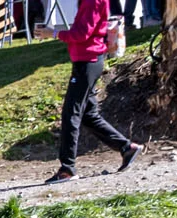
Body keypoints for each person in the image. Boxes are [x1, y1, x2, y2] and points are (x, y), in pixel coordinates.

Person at [46, 0, 141, 183]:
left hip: (88, 62)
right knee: (88, 115)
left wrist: (55, 33)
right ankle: (127, 147)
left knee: (70, 113)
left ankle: (67, 169)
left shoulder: (93, 1)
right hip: (87, 61)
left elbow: (82, 34)